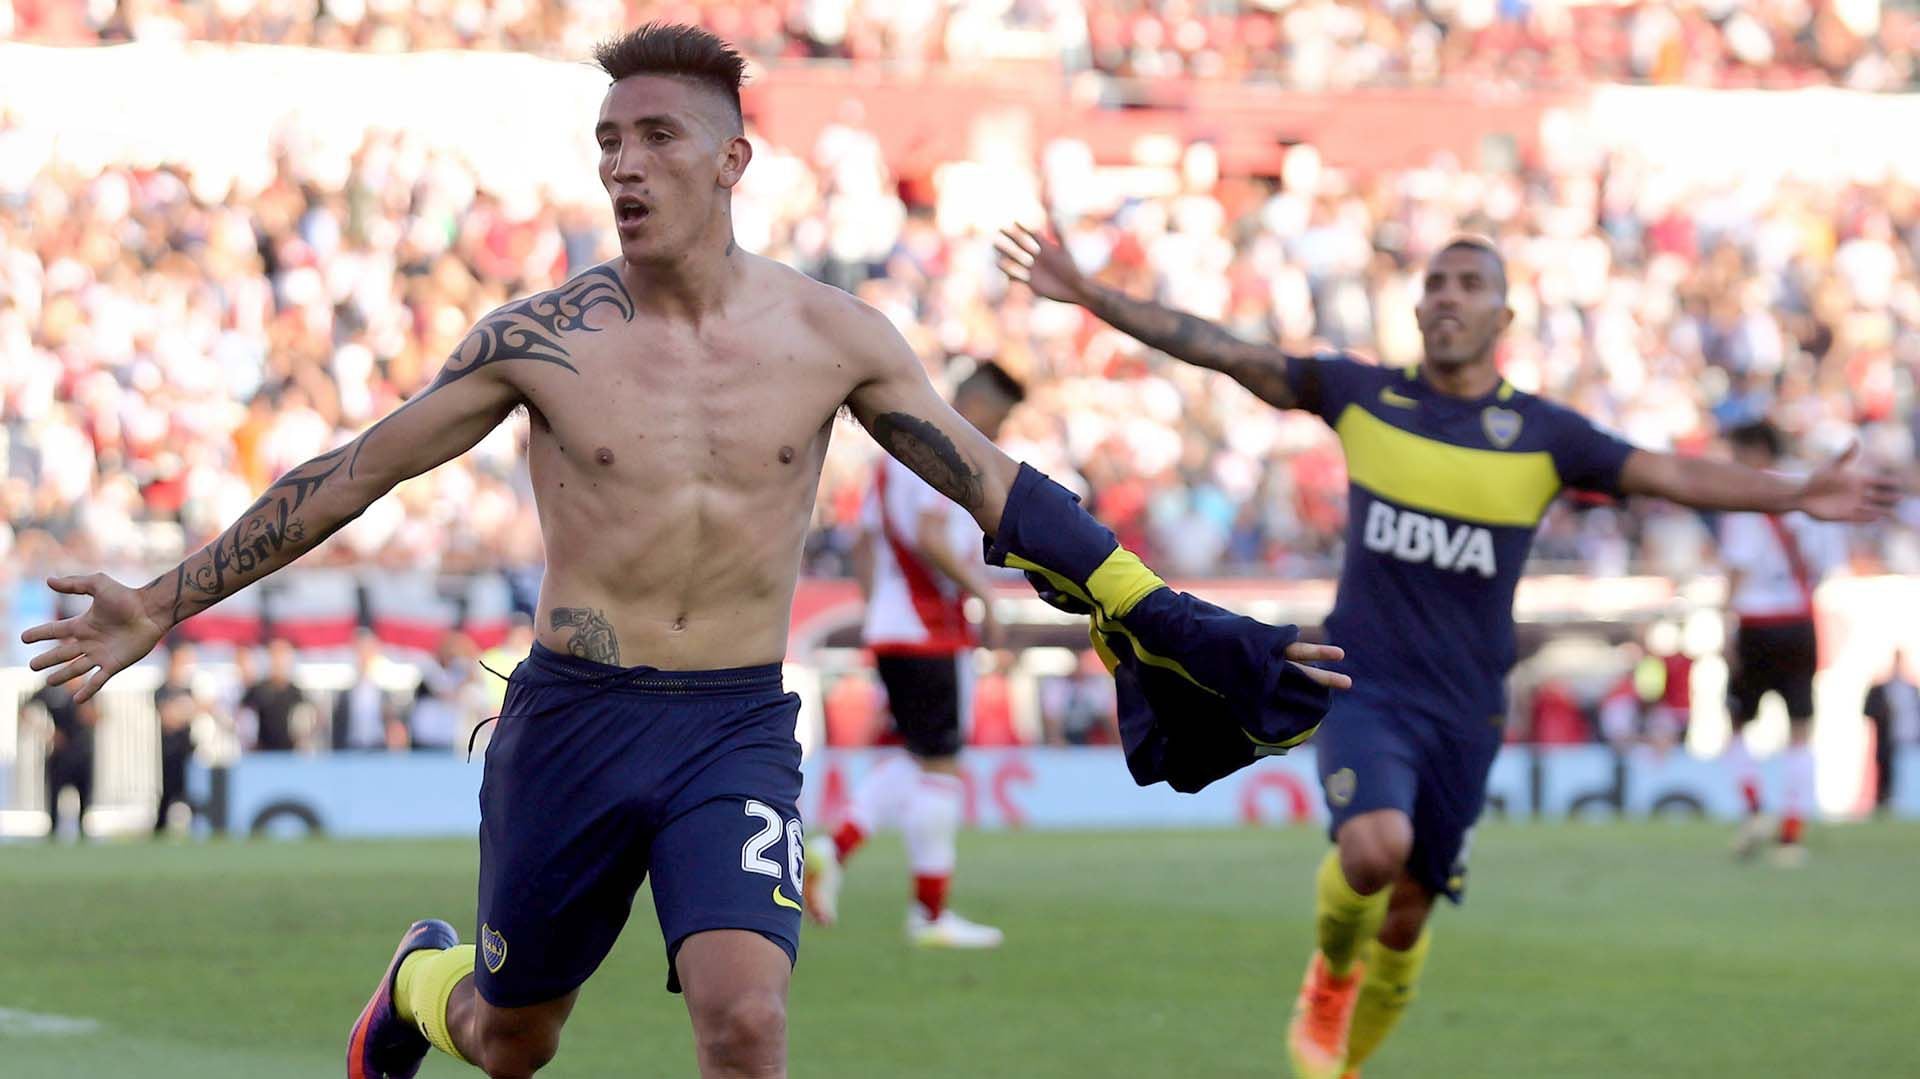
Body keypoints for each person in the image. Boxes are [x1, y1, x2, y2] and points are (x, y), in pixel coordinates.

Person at [19, 25, 1343, 1079]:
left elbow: (991, 483)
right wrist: (160, 599)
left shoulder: (834, 334)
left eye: (656, 136)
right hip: (573, 721)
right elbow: (355, 471)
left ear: (733, 161)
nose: (624, 166)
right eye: (608, 142)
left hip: (733, 725)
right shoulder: (538, 339)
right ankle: (419, 978)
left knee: (746, 1021)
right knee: (511, 1037)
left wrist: (1148, 602)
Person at [999, 226, 1897, 1079]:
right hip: (1365, 683)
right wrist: (1088, 293)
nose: (1447, 297)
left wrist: (1795, 494)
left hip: (1467, 706)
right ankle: (1328, 977)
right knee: (1373, 852)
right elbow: (1228, 351)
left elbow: (1678, 473)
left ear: (1504, 317)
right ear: (1416, 306)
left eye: (1470, 284)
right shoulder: (1363, 397)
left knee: (1411, 912)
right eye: (1435, 282)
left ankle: (1344, 1061)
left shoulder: (1547, 436)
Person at [803, 361, 1025, 949]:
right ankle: (930, 915)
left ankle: (834, 848)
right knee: (941, 764)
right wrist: (983, 596)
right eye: (1000, 417)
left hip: (895, 628)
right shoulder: (940, 452)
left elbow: (866, 544)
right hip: (930, 630)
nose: (999, 430)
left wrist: (879, 613)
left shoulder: (889, 458)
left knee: (920, 754)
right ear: (977, 404)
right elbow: (929, 536)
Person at [1715, 420, 1848, 867]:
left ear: (1755, 449)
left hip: (1756, 620)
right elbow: (1828, 565)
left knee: (1735, 722)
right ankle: (1792, 834)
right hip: (1799, 620)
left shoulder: (1745, 496)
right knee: (1801, 728)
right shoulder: (1811, 492)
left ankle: (1753, 806)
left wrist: (1724, 626)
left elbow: (1737, 566)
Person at [29, 680, 96, 841]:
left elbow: (99, 716)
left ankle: (82, 835)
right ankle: (52, 835)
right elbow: (26, 708)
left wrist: (89, 714)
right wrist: (45, 731)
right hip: (60, 755)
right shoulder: (53, 689)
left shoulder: (90, 687)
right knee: (53, 799)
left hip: (83, 753)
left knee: (85, 798)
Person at [153, 643, 203, 834]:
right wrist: (184, 711)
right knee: (168, 793)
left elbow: (196, 711)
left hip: (187, 749)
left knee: (191, 791)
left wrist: (182, 711)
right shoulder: (162, 689)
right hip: (169, 751)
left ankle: (196, 829)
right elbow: (169, 719)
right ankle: (160, 830)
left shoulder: (188, 689)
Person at [1862, 648, 1918, 816]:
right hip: (1887, 740)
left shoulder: (1912, 689)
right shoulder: (1880, 688)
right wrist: (1886, 712)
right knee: (1886, 774)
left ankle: (1906, 804)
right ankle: (1884, 804)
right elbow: (1868, 710)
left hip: (1910, 740)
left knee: (1907, 774)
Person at [333, 629, 402, 752]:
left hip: (378, 749)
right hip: (350, 750)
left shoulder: (386, 688)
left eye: (367, 650)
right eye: (360, 650)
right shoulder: (343, 689)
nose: (363, 655)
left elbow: (395, 725)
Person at [239, 637, 308, 753]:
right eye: (275, 654)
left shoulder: (296, 692)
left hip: (290, 755)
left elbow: (307, 720)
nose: (279, 660)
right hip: (261, 755)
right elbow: (242, 716)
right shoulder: (257, 690)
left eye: (283, 655)